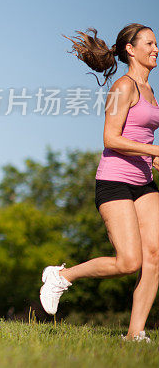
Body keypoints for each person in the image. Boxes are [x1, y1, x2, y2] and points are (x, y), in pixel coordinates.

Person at [41, 24, 159, 341]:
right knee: (129, 262)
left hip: (144, 182)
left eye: (156, 44)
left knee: (155, 256)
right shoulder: (123, 86)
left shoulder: (149, 90)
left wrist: (153, 158)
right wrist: (154, 150)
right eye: (149, 43)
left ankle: (135, 333)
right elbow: (110, 137)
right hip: (115, 181)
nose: (155, 49)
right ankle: (61, 276)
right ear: (130, 49)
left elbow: (142, 134)